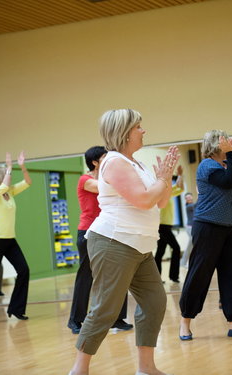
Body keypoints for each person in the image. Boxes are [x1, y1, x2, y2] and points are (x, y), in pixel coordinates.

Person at [69, 109, 179, 375]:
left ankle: (146, 367)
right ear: (125, 132)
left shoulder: (136, 164)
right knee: (105, 309)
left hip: (140, 246)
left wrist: (165, 179)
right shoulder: (114, 162)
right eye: (139, 126)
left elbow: (159, 202)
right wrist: (162, 180)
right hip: (113, 241)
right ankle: (78, 370)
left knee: (154, 302)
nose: (143, 131)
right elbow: (142, 199)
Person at [179, 130, 232, 341]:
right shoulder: (207, 165)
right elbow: (228, 182)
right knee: (200, 273)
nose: (230, 145)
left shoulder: (231, 164)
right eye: (226, 142)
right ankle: (185, 322)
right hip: (207, 227)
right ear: (216, 146)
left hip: (230, 227)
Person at [67, 146, 133, 335]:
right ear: (95, 162)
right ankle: (75, 320)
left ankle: (117, 319)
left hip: (109, 231)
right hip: (88, 232)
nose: (109, 160)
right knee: (86, 276)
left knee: (119, 275)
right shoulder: (85, 180)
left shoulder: (105, 178)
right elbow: (105, 188)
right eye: (105, 157)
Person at [0, 151, 32, 324]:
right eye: (8, 173)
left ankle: (16, 309)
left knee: (24, 270)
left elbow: (28, 182)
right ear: (1, 176)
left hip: (10, 240)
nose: (9, 176)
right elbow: (2, 187)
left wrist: (22, 166)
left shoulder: (10, 192)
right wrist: (9, 167)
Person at [154, 165, 184, 283]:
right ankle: (173, 276)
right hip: (162, 226)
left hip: (166, 226)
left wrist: (180, 175)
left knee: (160, 252)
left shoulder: (168, 193)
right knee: (176, 248)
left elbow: (180, 188)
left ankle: (158, 278)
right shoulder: (161, 193)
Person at [180, 192, 196, 268]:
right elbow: (197, 205)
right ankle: (183, 262)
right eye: (187, 198)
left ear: (192, 197)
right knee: (191, 243)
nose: (189, 198)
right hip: (189, 228)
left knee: (193, 244)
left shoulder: (193, 206)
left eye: (190, 197)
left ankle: (185, 262)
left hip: (194, 227)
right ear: (185, 200)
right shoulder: (189, 206)